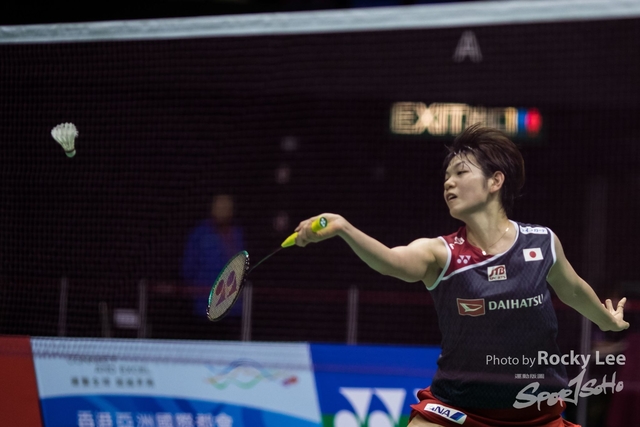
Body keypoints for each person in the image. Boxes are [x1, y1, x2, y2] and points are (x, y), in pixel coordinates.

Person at [293, 124, 629, 427]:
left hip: (536, 413)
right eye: (446, 177)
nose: (448, 183)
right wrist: (344, 228)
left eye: (460, 172)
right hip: (457, 408)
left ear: (495, 181)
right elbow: (391, 262)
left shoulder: (541, 243)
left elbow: (572, 290)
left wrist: (607, 321)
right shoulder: (441, 253)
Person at [182, 194, 244, 338]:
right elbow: (188, 269)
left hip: (232, 310)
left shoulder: (237, 234)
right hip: (204, 307)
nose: (223, 210)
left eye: (227, 207)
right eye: (219, 206)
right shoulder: (200, 234)